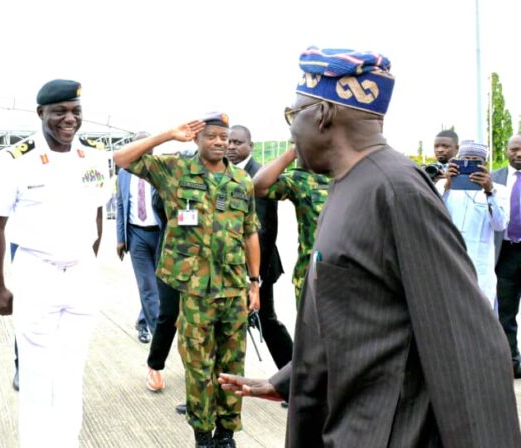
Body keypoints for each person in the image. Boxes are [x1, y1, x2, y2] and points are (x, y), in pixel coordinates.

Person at [220, 47, 521, 446]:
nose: (292, 131)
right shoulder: (348, 182)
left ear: (324, 114)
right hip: (347, 421)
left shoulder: (396, 190)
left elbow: (466, 339)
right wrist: (289, 381)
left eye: (295, 115)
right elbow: (348, 318)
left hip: (387, 430)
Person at [114, 113, 260, 448]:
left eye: (224, 136)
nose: (220, 142)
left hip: (234, 290)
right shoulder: (175, 171)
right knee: (198, 368)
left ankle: (226, 435)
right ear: (197, 139)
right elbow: (122, 159)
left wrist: (255, 284)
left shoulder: (241, 181)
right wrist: (167, 134)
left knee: (232, 365)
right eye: (212, 135)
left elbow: (250, 233)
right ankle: (202, 436)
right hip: (194, 292)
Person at [0, 79, 110, 447]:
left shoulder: (95, 155)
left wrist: (90, 259)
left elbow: (97, 212)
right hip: (36, 272)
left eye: (75, 112)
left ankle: (66, 441)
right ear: (41, 113)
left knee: (72, 370)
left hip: (81, 273)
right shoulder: (14, 160)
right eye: (60, 112)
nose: (69, 119)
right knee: (39, 374)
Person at [226, 125, 293, 369]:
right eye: (229, 142)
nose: (231, 147)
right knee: (230, 326)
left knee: (266, 320)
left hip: (257, 266)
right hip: (229, 266)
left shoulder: (258, 175)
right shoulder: (222, 173)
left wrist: (254, 276)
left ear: (250, 146)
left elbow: (264, 231)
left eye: (237, 142)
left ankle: (294, 380)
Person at [252, 144, 329, 306]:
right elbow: (258, 186)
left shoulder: (360, 174)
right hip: (313, 277)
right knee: (310, 331)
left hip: (356, 279)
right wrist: (295, 150)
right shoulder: (303, 178)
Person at [441, 140, 507, 305]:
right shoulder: (442, 186)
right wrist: (447, 186)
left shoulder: (499, 190)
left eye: (475, 161)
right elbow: (431, 216)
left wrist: (489, 191)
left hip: (479, 266)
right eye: (465, 160)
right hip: (448, 261)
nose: (469, 165)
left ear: (483, 164)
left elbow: (500, 225)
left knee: (479, 317)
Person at [116, 132, 162, 345]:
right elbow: (120, 204)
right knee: (147, 287)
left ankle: (143, 321)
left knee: (162, 287)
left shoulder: (162, 169)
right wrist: (120, 238)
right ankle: (156, 334)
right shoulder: (124, 172)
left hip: (161, 233)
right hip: (136, 235)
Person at [493, 133, 521, 378]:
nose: (519, 153)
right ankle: (510, 364)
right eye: (514, 149)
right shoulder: (494, 179)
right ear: (506, 150)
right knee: (505, 314)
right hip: (506, 255)